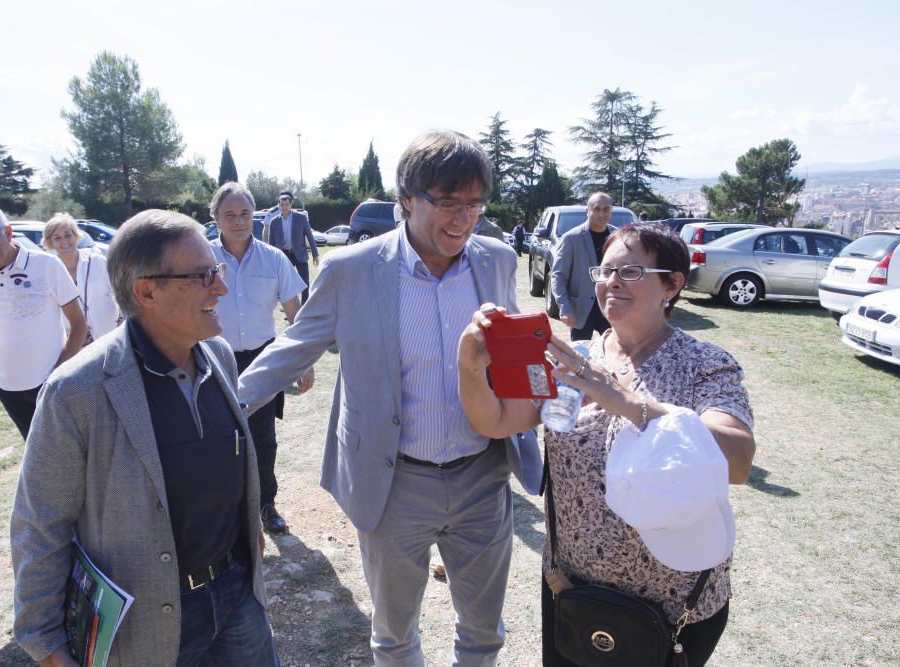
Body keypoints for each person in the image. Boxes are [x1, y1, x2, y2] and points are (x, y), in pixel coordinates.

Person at [238, 130, 541, 666]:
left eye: (474, 204)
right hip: (394, 480)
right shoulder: (351, 269)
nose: (463, 219)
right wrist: (225, 407)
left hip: (483, 476)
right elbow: (293, 349)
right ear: (407, 199)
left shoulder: (495, 259)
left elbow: (514, 354)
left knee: (484, 630)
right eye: (447, 202)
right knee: (394, 635)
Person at [457, 223, 756, 667]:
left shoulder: (705, 364)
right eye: (604, 271)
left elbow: (737, 460)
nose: (610, 282)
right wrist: (469, 365)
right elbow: (498, 420)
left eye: (631, 271)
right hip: (572, 590)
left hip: (671, 605)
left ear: (672, 285)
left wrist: (631, 404)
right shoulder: (573, 360)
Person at [11, 210, 278, 667]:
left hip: (236, 595)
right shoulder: (77, 390)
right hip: (148, 622)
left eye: (216, 270)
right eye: (202, 276)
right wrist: (44, 642)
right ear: (146, 291)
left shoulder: (217, 356)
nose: (221, 287)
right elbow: (40, 523)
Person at [208, 182, 314, 534]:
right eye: (230, 215)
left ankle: (266, 504)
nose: (238, 221)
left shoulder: (274, 258)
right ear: (216, 218)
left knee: (263, 438)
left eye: (245, 214)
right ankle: (228, 510)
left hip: (262, 360)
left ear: (255, 216)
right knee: (217, 439)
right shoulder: (203, 260)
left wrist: (303, 360)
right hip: (214, 359)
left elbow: (294, 312)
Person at [0, 201, 86, 439]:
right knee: (36, 456)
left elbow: (78, 324)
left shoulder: (46, 265)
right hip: (7, 388)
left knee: (71, 454)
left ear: (7, 232)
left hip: (52, 385)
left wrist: (57, 376)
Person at [42, 213, 120, 342]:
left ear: (76, 236)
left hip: (108, 338)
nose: (64, 242)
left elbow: (121, 293)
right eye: (57, 238)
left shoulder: (97, 262)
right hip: (73, 344)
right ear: (50, 242)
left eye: (68, 235)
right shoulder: (49, 271)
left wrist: (122, 322)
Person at [550, 192, 616, 342]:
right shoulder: (571, 238)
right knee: (580, 355)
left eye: (606, 209)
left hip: (609, 307)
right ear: (587, 211)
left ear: (611, 210)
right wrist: (565, 307)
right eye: (597, 209)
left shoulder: (618, 237)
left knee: (615, 353)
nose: (601, 213)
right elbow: (558, 276)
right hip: (581, 310)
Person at [264, 190, 319, 304]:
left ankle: (304, 309)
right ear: (279, 205)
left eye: (287, 204)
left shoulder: (301, 218)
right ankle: (291, 308)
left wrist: (315, 254)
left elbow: (309, 236)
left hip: (300, 253)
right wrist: (271, 258)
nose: (284, 207)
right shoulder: (274, 222)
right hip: (285, 255)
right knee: (286, 284)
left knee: (305, 282)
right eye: (282, 205)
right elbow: (271, 242)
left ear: (291, 204)